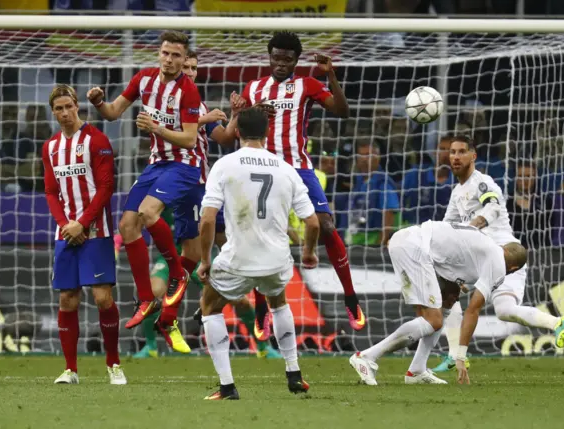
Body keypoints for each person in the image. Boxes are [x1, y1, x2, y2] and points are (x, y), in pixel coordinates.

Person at [236, 31, 365, 331]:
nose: (281, 63)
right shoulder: (254, 88)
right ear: (269, 57)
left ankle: (350, 297)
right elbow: (237, 130)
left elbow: (342, 111)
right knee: (260, 236)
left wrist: (330, 74)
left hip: (298, 167)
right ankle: (260, 308)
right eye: (276, 57)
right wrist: (244, 111)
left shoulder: (306, 85)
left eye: (287, 59)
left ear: (295, 60)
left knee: (327, 225)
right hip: (263, 168)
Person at [196, 108, 320, 400]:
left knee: (209, 306)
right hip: (277, 258)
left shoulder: (224, 165)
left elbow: (208, 219)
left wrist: (204, 260)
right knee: (278, 302)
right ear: (266, 134)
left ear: (236, 131)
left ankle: (227, 387)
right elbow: (313, 222)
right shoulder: (286, 168)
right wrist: (309, 252)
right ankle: (294, 374)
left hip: (239, 258)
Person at [87, 30, 202, 339]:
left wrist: (156, 128)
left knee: (149, 214)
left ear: (182, 59)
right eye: (165, 53)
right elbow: (112, 113)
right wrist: (99, 103)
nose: (169, 59)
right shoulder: (144, 80)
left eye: (176, 55)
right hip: (156, 164)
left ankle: (177, 273)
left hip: (184, 165)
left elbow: (191, 140)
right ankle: (148, 299)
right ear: (159, 53)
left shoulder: (188, 91)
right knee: (127, 225)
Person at [432, 135, 564, 373]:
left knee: (484, 306)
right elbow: (447, 227)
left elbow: (494, 206)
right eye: (452, 152)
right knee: (481, 305)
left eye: (461, 151)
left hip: (506, 255)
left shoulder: (482, 183)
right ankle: (557, 323)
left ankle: (457, 355)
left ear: (473, 156)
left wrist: (475, 225)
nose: (455, 156)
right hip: (482, 259)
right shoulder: (457, 193)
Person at [349, 221, 527, 385]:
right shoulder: (499, 265)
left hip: (412, 241)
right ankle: (366, 357)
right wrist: (460, 356)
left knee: (449, 298)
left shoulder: (486, 246)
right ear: (513, 269)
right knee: (434, 320)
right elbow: (473, 310)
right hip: (415, 248)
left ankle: (417, 370)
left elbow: (453, 258)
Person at [43, 85, 125, 385]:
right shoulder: (50, 147)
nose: (65, 113)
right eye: (58, 109)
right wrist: (66, 224)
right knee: (67, 299)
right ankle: (70, 370)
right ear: (53, 112)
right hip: (66, 232)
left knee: (102, 298)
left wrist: (83, 223)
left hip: (97, 231)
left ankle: (114, 365)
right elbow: (51, 191)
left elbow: (105, 188)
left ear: (77, 105)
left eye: (68, 106)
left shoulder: (97, 140)